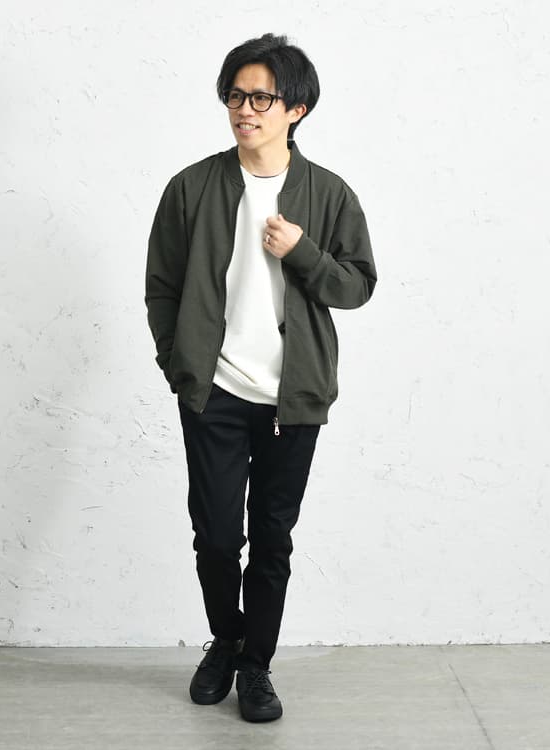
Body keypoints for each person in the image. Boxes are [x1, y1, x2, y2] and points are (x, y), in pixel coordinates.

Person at [145, 32, 377, 723]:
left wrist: (303, 252)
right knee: (217, 538)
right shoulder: (192, 188)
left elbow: (357, 286)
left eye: (260, 98)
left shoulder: (329, 194)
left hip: (292, 398)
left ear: (296, 109)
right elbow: (162, 286)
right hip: (213, 393)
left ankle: (256, 666)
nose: (243, 110)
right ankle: (227, 640)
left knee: (272, 541)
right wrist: (179, 362)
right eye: (235, 96)